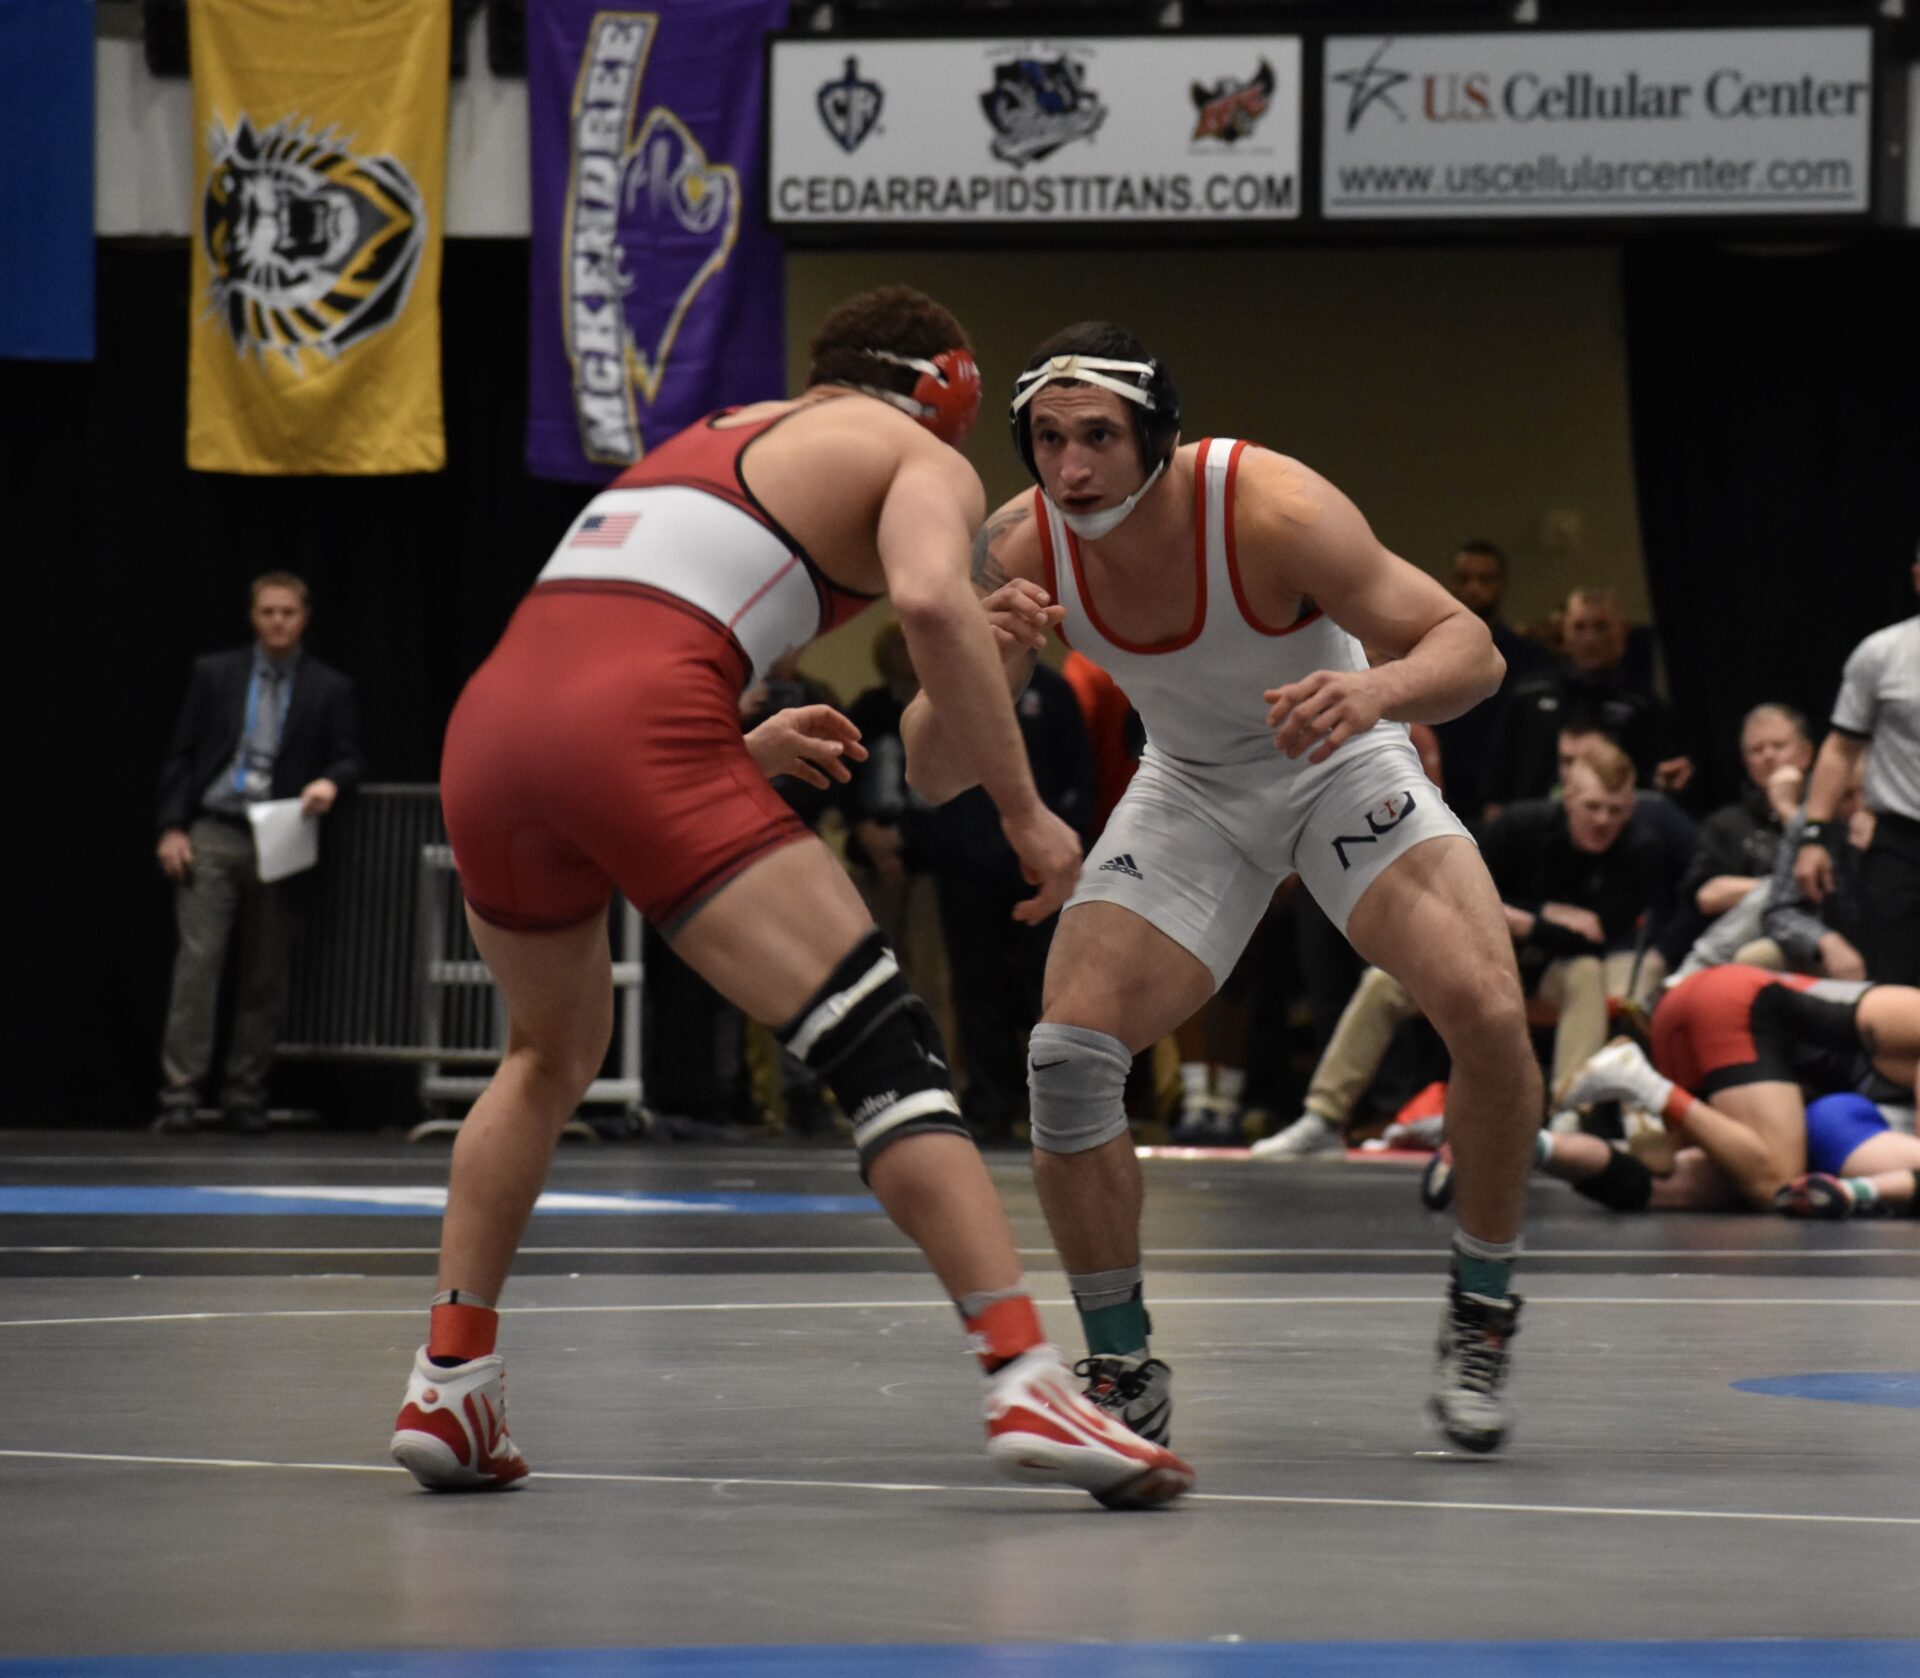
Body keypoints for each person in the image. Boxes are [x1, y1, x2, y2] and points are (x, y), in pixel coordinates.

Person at [388, 287, 1191, 1508]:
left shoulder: (713, 433)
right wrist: (1029, 813)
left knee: (548, 1053)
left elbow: (621, 628)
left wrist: (731, 749)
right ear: (947, 392)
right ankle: (1026, 1375)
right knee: (888, 1050)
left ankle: (450, 1379)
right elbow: (931, 605)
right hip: (641, 726)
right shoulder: (917, 456)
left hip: (494, 733)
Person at [902, 323, 1541, 1455]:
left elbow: (1473, 650)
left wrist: (1376, 691)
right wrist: (988, 660)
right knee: (1068, 1056)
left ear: (1157, 437)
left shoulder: (1269, 507)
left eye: (1099, 437)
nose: (1071, 468)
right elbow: (929, 769)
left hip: (1339, 758)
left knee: (1488, 1010)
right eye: (1047, 439)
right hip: (1192, 784)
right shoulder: (1019, 544)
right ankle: (1120, 1364)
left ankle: (1483, 1304)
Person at [1261, 737, 1663, 1160]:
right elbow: (1467, 901)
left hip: (1552, 978)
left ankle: (1567, 1119)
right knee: (1383, 982)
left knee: (1587, 972)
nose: (1602, 821)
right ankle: (1322, 1117)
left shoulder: (1641, 851)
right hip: (1481, 960)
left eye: (1615, 811)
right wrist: (1545, 916)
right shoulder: (1518, 826)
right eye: (1593, 807)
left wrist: (1524, 920)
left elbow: (1597, 936)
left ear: (1631, 807)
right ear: (1567, 798)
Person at [1434, 967, 1920, 1220]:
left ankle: (1513, 1144)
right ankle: (1643, 1084)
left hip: (1700, 1016)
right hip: (1734, 1006)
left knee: (1674, 1181)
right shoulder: (1902, 1013)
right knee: (1773, 1180)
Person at [154, 572, 362, 1134]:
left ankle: (245, 1091)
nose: (277, 622)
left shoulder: (328, 687)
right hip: (217, 828)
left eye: (287, 612)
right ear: (252, 615)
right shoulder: (216, 673)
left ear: (304, 617)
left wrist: (330, 782)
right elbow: (182, 753)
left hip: (282, 831)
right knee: (199, 964)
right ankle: (181, 1092)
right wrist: (172, 827)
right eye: (268, 612)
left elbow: (349, 755)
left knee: (266, 971)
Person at [1795, 550, 1920, 984]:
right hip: (1903, 843)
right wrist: (1813, 835)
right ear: (1917, 578)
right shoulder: (1882, 653)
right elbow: (1840, 748)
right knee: (1899, 985)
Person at [1482, 587, 1692, 819]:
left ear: (1622, 634)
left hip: (1615, 826)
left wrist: (1665, 783)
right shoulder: (1528, 694)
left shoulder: (1643, 704)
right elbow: (1497, 786)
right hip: (1536, 828)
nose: (1590, 639)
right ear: (1564, 635)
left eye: (1601, 627)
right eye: (1579, 627)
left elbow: (1662, 780)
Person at [1429, 540, 1553, 827]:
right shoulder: (1430, 652)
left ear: (1502, 584)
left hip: (1509, 805)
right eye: (1464, 579)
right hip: (1443, 798)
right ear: (1451, 583)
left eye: (1485, 579)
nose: (1474, 588)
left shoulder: (1530, 659)